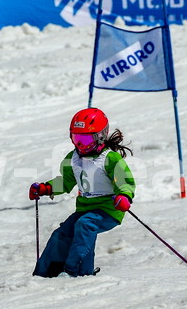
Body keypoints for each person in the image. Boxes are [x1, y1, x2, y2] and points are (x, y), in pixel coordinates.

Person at [29, 107, 134, 278]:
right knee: (62, 234)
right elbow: (66, 181)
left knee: (85, 225)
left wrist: (124, 196)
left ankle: (75, 272)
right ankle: (45, 273)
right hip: (85, 209)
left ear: (101, 136)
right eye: (76, 138)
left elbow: (125, 181)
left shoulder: (110, 158)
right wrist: (46, 188)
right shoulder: (73, 158)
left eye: (85, 139)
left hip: (108, 209)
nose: (80, 145)